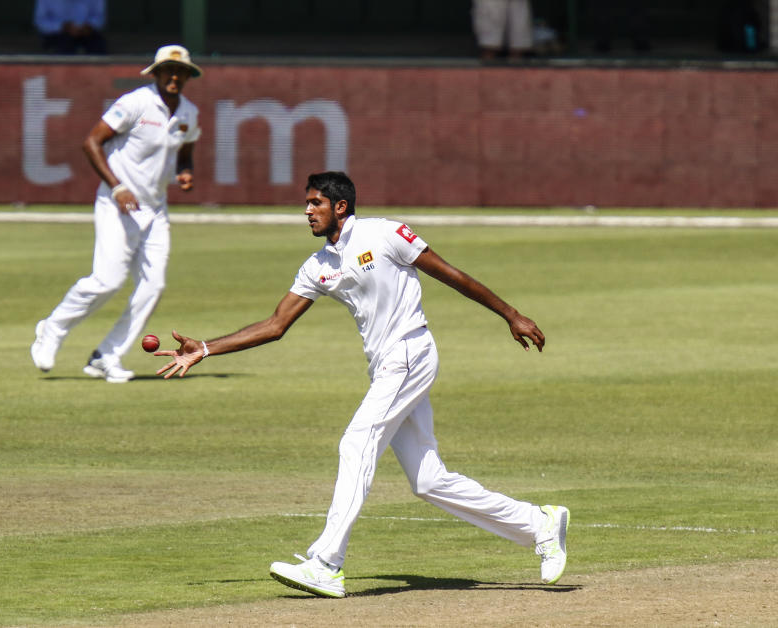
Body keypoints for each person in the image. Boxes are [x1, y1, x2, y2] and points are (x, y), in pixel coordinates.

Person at [155, 171, 569, 598]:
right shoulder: (318, 265)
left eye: (314, 203)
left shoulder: (385, 234)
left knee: (356, 443)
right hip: (385, 367)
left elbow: (451, 275)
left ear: (340, 207)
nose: (306, 211)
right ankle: (538, 523)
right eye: (306, 203)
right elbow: (275, 325)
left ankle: (326, 563)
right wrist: (204, 348)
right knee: (428, 481)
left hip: (409, 353)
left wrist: (511, 314)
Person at [31, 44, 202, 383]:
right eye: (168, 70)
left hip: (155, 211)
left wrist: (184, 171)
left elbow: (185, 153)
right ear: (155, 73)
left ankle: (106, 356)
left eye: (180, 72)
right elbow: (91, 142)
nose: (174, 77)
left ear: (187, 76)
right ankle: (52, 328)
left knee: (153, 287)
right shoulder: (135, 102)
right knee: (107, 281)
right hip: (116, 203)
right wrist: (118, 186)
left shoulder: (189, 113)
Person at [34, 0, 106, 55]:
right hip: (57, 34)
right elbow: (40, 22)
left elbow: (99, 18)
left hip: (87, 33)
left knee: (97, 45)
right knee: (64, 46)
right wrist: (63, 27)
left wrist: (89, 26)